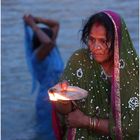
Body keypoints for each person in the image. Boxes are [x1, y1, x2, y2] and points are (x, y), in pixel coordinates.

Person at [53, 10, 139, 140]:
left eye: (103, 41)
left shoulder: (131, 72)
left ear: (117, 41)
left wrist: (87, 121)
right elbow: (68, 114)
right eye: (92, 39)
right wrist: (62, 98)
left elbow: (132, 128)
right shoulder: (79, 60)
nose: (95, 47)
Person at [23, 15, 64, 140]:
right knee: (47, 134)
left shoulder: (51, 49)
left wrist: (36, 19)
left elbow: (56, 24)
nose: (52, 40)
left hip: (59, 97)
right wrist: (33, 26)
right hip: (46, 102)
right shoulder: (37, 56)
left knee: (61, 132)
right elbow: (48, 42)